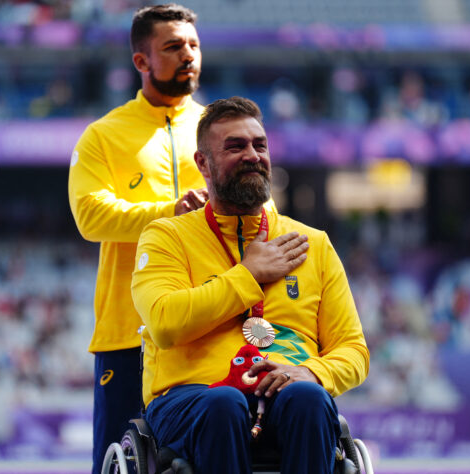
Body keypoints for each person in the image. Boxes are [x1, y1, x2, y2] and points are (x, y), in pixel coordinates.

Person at [131, 97, 370, 474]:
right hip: (193, 397)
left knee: (309, 398)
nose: (252, 155)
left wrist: (312, 372)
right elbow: (163, 322)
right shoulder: (165, 237)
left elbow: (354, 350)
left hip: (288, 391)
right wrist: (248, 274)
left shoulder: (313, 243)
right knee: (224, 403)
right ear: (202, 164)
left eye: (259, 145)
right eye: (234, 146)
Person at [67, 5, 208, 473]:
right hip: (128, 334)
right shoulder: (102, 136)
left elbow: (262, 212)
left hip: (207, 328)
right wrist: (170, 212)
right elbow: (89, 216)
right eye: (173, 47)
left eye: (193, 45)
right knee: (119, 459)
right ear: (141, 62)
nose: (188, 55)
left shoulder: (221, 132)